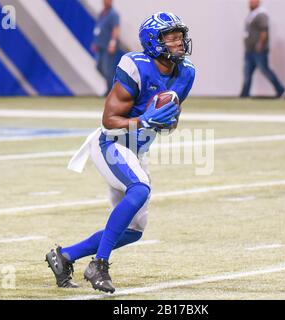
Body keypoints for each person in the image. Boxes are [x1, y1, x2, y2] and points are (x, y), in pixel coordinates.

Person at [46, 12, 195, 293]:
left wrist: (165, 120)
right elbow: (109, 120)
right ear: (154, 42)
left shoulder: (186, 72)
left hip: (137, 151)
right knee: (140, 189)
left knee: (134, 230)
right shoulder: (135, 66)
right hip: (111, 144)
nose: (179, 42)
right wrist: (144, 120)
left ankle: (64, 256)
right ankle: (99, 264)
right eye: (172, 37)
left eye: (180, 36)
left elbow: (172, 121)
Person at [241, 0, 285, 98]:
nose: (250, 3)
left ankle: (280, 89)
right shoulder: (252, 15)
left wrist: (260, 44)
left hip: (258, 51)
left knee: (265, 71)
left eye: (253, 1)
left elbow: (264, 31)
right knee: (247, 73)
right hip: (250, 50)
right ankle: (244, 94)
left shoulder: (261, 14)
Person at [92, 0, 120, 95]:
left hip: (108, 47)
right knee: (99, 67)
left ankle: (111, 90)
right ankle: (110, 87)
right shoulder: (102, 13)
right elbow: (98, 28)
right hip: (100, 45)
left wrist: (112, 43)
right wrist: (95, 42)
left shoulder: (113, 14)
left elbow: (115, 29)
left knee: (108, 69)